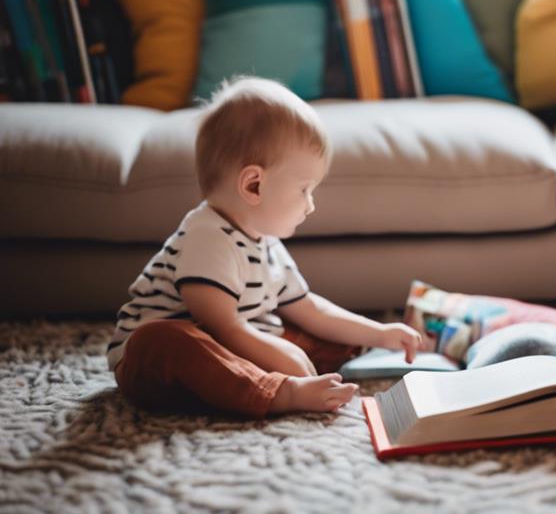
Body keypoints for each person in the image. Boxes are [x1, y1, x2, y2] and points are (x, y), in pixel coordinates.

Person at [107, 76, 422, 418]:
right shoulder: (206, 236)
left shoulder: (263, 239)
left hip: (236, 343)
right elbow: (222, 327)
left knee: (322, 336)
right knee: (163, 342)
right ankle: (277, 393)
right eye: (304, 189)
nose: (310, 204)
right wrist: (285, 359)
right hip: (163, 362)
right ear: (254, 185)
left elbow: (310, 309)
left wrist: (380, 333)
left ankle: (271, 378)